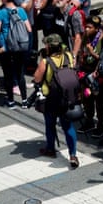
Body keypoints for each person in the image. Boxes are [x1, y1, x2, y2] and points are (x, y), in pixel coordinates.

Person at [32, 34, 80, 168]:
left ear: (48, 46)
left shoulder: (46, 62)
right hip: (67, 97)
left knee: (50, 124)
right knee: (68, 127)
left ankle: (50, 149)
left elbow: (37, 78)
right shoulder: (69, 56)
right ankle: (73, 154)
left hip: (51, 99)